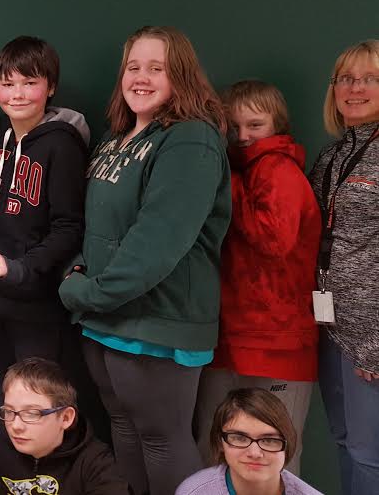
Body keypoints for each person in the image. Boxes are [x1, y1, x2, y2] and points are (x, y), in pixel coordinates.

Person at [58, 25, 231, 495]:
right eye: (133, 67)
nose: (141, 77)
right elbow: (98, 230)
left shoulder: (190, 140)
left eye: (157, 68)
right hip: (106, 318)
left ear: (181, 77)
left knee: (161, 439)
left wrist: (88, 292)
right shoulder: (117, 139)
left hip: (158, 320)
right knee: (126, 432)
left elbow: (156, 240)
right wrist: (78, 273)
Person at [194, 80, 320, 474]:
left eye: (255, 125)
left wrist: (227, 183)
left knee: (273, 462)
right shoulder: (243, 168)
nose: (243, 136)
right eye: (234, 128)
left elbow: (273, 239)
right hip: (232, 336)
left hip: (276, 343)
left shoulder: (277, 169)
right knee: (214, 456)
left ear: (277, 126)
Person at [0, 35, 89, 405]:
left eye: (30, 83)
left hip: (38, 305)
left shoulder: (62, 145)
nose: (18, 94)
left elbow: (69, 227)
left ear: (50, 86)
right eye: (8, 84)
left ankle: (44, 467)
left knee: (38, 403)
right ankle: (13, 467)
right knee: (1, 398)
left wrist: (23, 268)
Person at [308, 39, 379, 494]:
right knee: (343, 441)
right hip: (328, 326)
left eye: (369, 78)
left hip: (370, 337)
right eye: (345, 79)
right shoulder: (331, 157)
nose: (355, 88)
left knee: (369, 456)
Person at [0, 358, 127, 495]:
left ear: (66, 418)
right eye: (9, 411)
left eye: (31, 414)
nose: (15, 426)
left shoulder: (95, 463)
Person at [176, 388, 322, 495]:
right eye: (240, 438)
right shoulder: (194, 491)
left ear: (287, 443)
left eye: (269, 440)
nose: (254, 453)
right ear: (220, 442)